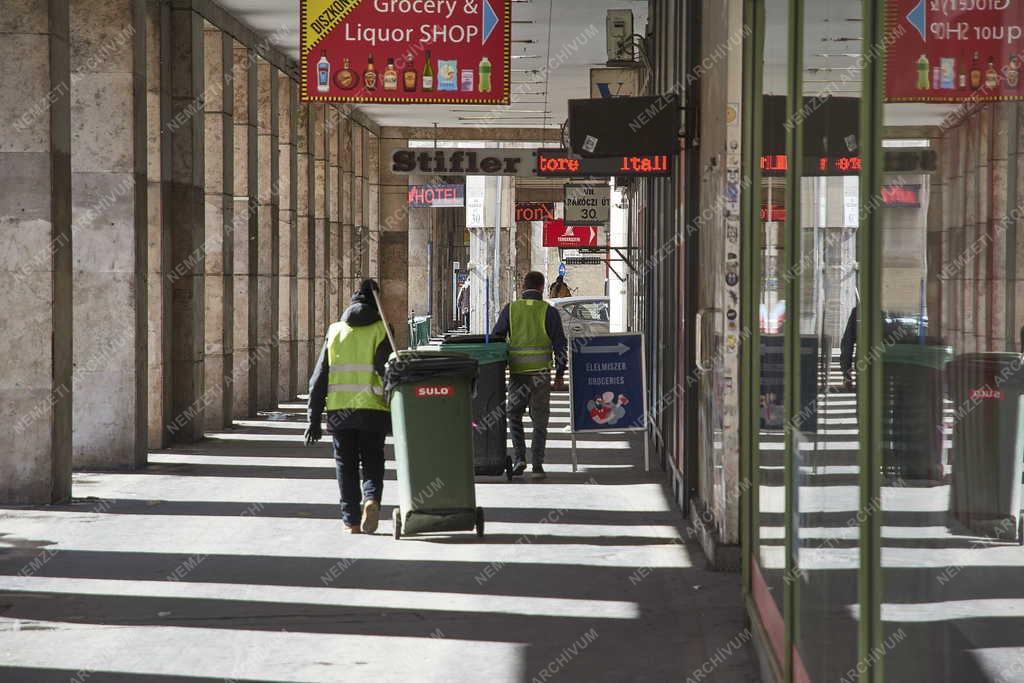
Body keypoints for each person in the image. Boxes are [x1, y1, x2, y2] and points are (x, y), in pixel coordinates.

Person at [306, 279, 393, 534]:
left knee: (345, 464)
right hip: (374, 409)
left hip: (340, 412)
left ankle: (351, 521)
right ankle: (372, 499)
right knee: (373, 459)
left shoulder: (335, 331)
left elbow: (319, 377)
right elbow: (386, 370)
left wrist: (313, 418)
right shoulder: (382, 330)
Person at [492, 271, 568, 479]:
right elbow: (560, 345)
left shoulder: (511, 309)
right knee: (540, 420)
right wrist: (560, 373)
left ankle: (519, 458)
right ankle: (537, 464)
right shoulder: (548, 311)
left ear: (523, 287)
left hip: (517, 374)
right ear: (543, 287)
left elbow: (496, 336)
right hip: (541, 376)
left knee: (514, 415)